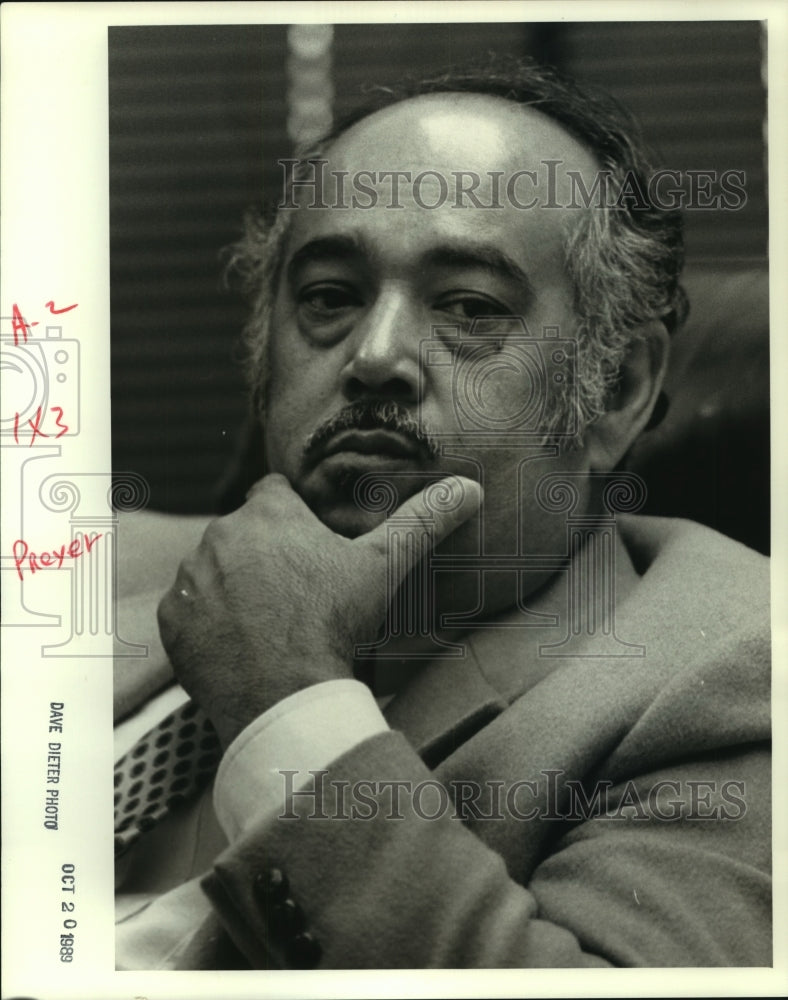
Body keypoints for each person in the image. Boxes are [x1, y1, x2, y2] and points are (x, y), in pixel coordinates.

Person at [113, 60, 770, 969]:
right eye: (330, 298)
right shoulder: (104, 575)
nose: (374, 357)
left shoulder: (733, 679)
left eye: (468, 306)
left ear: (615, 391)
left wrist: (289, 698)